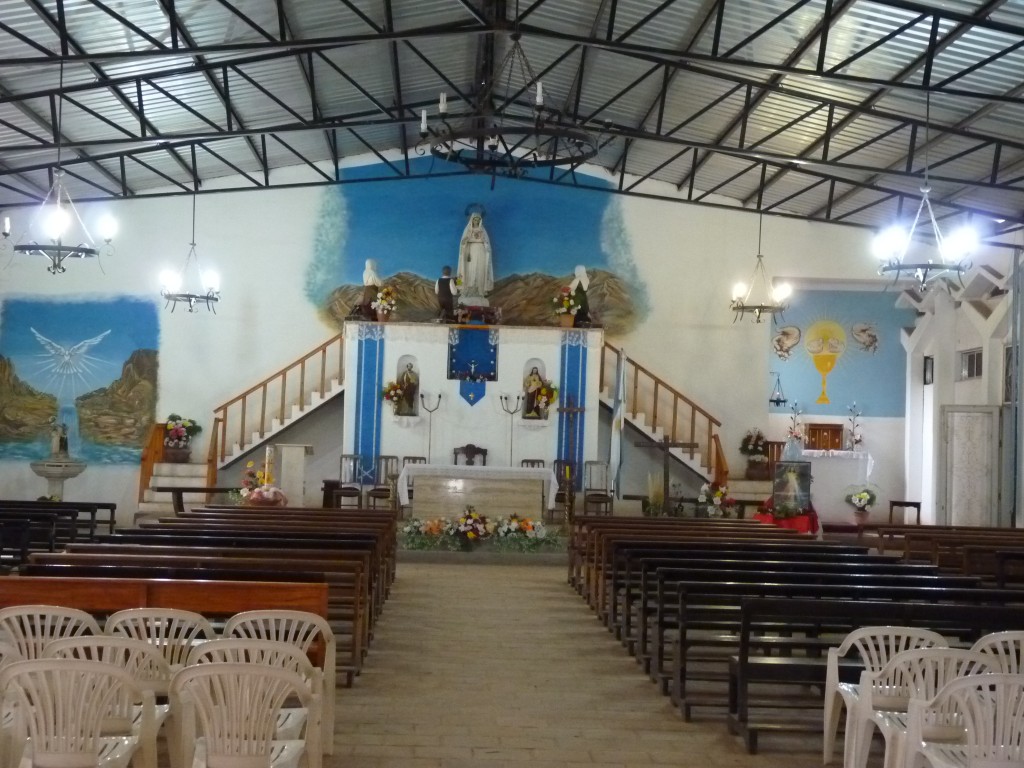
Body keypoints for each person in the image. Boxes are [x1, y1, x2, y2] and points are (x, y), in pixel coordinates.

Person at [457, 212, 494, 297]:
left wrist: (485, 242)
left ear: (480, 221)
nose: (476, 221)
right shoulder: (467, 230)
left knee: (480, 269)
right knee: (469, 269)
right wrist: (464, 241)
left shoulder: (483, 230)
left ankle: (480, 291)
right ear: (471, 220)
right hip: (470, 252)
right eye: (475, 219)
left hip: (481, 252)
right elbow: (462, 243)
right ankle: (467, 289)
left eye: (478, 220)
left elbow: (487, 243)